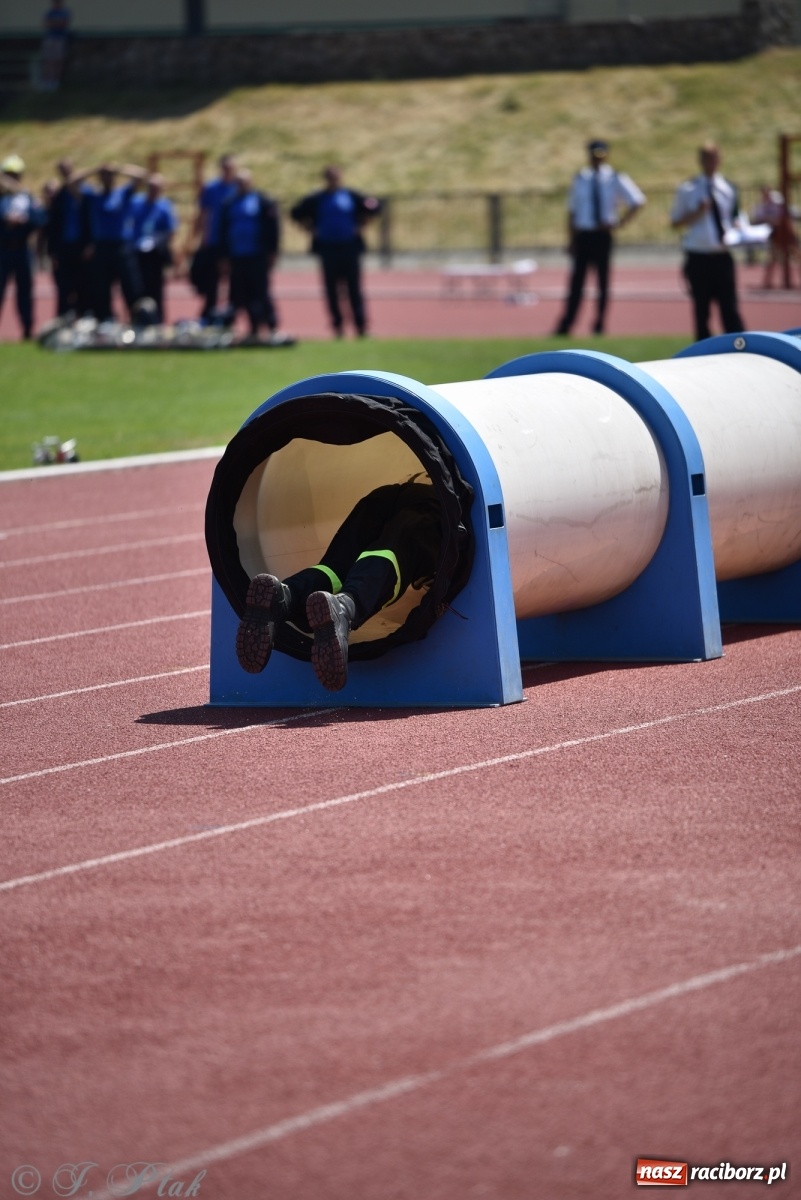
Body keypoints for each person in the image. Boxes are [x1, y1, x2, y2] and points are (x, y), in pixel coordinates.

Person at [235, 480, 441, 691]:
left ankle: (285, 596)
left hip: (385, 495)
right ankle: (344, 608)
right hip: (435, 507)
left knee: (336, 567)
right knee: (395, 557)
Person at [554, 139, 645, 336]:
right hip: (584, 235)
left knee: (603, 282)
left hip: (603, 236)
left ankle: (599, 323)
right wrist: (571, 239)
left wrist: (620, 223)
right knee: (577, 282)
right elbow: (572, 211)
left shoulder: (615, 177)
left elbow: (637, 201)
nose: (597, 160)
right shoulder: (581, 178)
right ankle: (567, 324)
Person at [291, 165, 382, 338]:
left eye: (336, 177)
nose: (333, 180)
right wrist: (310, 228)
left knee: (354, 288)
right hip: (328, 249)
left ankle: (360, 325)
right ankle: (337, 326)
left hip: (349, 248)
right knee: (331, 290)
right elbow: (295, 212)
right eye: (330, 177)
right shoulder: (317, 198)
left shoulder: (351, 195)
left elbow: (374, 206)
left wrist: (362, 224)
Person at [670, 142, 746, 342]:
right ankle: (703, 351)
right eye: (707, 158)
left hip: (722, 255)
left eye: (714, 158)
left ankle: (739, 348)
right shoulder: (688, 189)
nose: (711, 163)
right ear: (700, 161)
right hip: (698, 257)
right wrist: (696, 212)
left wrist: (740, 229)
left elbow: (735, 217)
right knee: (701, 310)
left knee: (729, 308)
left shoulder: (728, 187)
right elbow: (675, 222)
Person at [218, 169, 287, 343]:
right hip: (237, 257)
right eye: (238, 182)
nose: (241, 185)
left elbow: (273, 228)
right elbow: (222, 231)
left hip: (257, 256)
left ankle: (271, 327)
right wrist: (224, 256)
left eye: (244, 182)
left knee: (262, 293)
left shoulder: (262, 201)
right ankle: (253, 329)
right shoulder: (229, 203)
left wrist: (272, 252)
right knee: (241, 294)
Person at [83, 162, 147, 322]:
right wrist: (94, 169)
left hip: (121, 246)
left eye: (109, 175)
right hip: (102, 246)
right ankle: (106, 319)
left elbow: (143, 176)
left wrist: (119, 168)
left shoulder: (122, 193)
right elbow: (71, 183)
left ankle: (135, 319)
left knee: (131, 286)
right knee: (101, 287)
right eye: (104, 175)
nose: (107, 178)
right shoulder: (94, 195)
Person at [0, 154, 45, 340]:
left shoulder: (26, 197)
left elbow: (40, 219)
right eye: (8, 174)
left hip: (21, 249)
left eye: (15, 174)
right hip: (2, 249)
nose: (12, 178)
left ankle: (27, 329)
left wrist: (24, 222)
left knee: (25, 291)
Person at [191, 153, 238, 322]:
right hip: (214, 240)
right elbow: (203, 215)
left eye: (231, 168)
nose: (228, 171)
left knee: (234, 280)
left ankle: (230, 314)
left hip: (233, 243)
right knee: (211, 280)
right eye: (225, 168)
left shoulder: (238, 188)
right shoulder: (211, 189)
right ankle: (209, 312)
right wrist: (200, 238)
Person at [44, 159, 93, 317]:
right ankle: (63, 319)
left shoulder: (84, 192)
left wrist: (90, 244)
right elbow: (53, 225)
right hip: (64, 247)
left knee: (83, 285)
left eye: (67, 170)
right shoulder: (60, 196)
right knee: (64, 287)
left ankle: (84, 316)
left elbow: (91, 220)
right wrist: (52, 251)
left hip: (81, 246)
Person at [128, 173, 178, 323]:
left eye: (156, 188)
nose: (153, 191)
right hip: (136, 253)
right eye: (151, 187)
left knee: (156, 289)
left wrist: (157, 242)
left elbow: (170, 231)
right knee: (136, 288)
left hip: (154, 254)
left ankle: (157, 321)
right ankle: (137, 320)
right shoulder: (136, 202)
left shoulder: (164, 206)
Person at [750, 186, 801, 290]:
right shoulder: (761, 206)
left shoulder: (778, 201)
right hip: (775, 235)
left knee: (798, 256)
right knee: (772, 258)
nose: (766, 196)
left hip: (787, 234)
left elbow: (791, 213)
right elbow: (755, 220)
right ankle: (767, 282)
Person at [40, 1, 71, 91]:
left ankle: (55, 81)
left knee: (58, 60)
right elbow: (45, 24)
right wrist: (55, 23)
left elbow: (63, 23)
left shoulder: (64, 12)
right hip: (50, 38)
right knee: (48, 60)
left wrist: (53, 23)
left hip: (59, 39)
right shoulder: (50, 12)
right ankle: (47, 80)